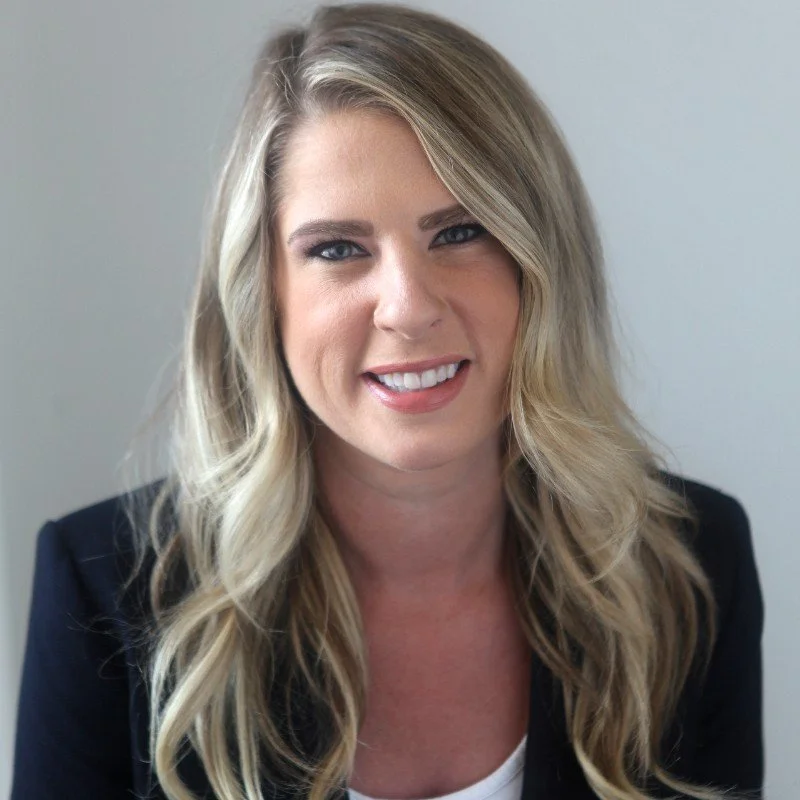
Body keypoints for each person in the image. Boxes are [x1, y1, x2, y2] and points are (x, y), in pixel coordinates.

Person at [11, 3, 764, 799]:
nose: (408, 306)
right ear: (263, 295)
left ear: (541, 261)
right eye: (337, 249)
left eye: (459, 231)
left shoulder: (688, 569)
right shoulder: (103, 590)